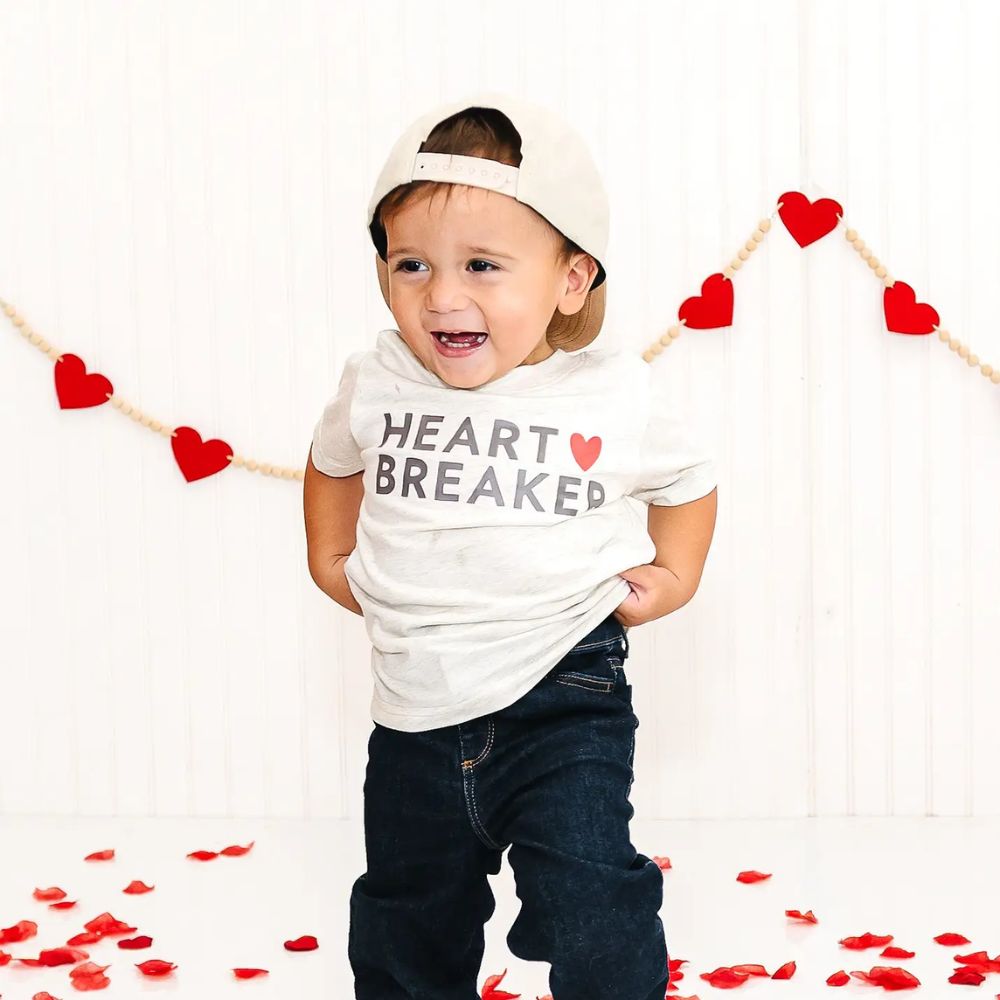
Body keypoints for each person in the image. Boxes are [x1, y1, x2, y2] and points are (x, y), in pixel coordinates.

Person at [303, 90, 718, 1000]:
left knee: (592, 902)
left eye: (483, 265)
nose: (442, 296)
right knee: (409, 912)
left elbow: (688, 481)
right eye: (411, 263)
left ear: (569, 280)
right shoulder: (377, 377)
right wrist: (329, 557)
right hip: (414, 707)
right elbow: (333, 460)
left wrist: (674, 573)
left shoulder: (610, 393)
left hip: (563, 694)